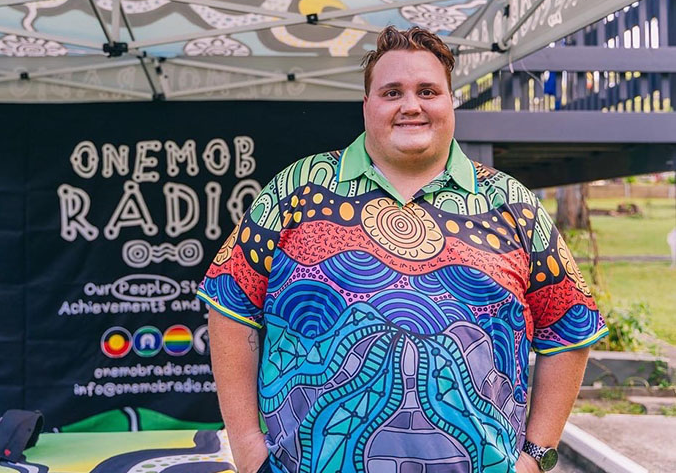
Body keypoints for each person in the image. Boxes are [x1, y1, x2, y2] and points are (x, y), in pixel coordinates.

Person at [197, 26, 608, 473]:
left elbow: (570, 326)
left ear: (450, 102)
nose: (411, 105)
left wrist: (537, 457)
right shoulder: (297, 189)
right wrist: (246, 446)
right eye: (392, 92)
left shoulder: (512, 204)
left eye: (427, 91)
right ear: (366, 106)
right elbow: (230, 303)